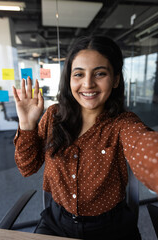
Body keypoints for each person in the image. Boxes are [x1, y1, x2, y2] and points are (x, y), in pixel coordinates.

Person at [13, 35, 158, 240]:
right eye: (79, 74)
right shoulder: (53, 116)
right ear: (69, 79)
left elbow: (144, 145)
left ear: (116, 79)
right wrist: (27, 125)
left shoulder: (123, 123)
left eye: (99, 73)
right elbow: (27, 168)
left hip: (110, 227)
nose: (88, 84)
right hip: (57, 222)